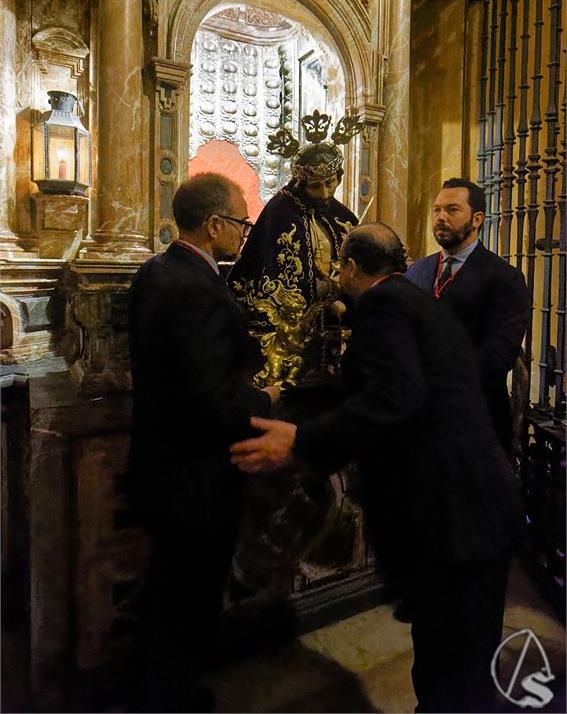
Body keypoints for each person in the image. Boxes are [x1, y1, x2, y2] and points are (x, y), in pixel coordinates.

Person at [230, 223, 524, 713]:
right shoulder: (415, 302)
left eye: (337, 267)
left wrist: (302, 440)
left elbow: (394, 398)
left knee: (450, 663)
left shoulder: (384, 307)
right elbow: (380, 389)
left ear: (349, 266)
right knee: (461, 660)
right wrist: (290, 397)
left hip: (452, 514)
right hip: (475, 507)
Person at [127, 173, 276, 712]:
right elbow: (214, 401)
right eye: (240, 222)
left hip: (159, 463)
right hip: (195, 477)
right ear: (213, 225)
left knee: (167, 593)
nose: (244, 232)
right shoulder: (199, 290)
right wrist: (265, 399)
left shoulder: (155, 272)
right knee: (186, 599)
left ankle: (160, 689)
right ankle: (170, 698)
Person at [228, 110, 361, 388]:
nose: (325, 193)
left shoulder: (343, 218)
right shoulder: (280, 213)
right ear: (300, 183)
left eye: (330, 183)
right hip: (289, 330)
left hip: (333, 326)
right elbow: (265, 272)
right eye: (315, 186)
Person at [405, 177, 529, 454]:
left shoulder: (504, 278)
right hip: (416, 423)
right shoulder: (416, 273)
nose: (440, 217)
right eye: (436, 210)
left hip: (474, 423)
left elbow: (497, 356)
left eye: (452, 210)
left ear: (477, 219)